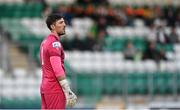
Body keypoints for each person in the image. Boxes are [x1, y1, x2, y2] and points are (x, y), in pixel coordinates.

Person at [39, 13, 77, 109]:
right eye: (60, 22)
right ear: (52, 26)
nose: (64, 24)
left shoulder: (45, 42)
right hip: (54, 87)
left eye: (64, 22)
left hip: (45, 86)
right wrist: (67, 89)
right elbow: (57, 68)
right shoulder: (54, 43)